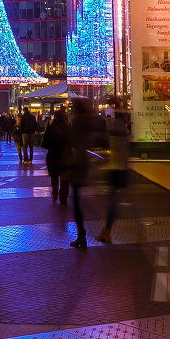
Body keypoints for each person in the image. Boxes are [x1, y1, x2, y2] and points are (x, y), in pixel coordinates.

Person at [95, 111, 130, 244]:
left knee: (113, 203)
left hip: (115, 171)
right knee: (114, 202)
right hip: (121, 170)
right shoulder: (124, 133)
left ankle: (107, 231)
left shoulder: (115, 132)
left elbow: (105, 143)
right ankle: (107, 230)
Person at [68, 98, 94, 250]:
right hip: (83, 163)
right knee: (78, 201)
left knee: (77, 202)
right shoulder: (89, 122)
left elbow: (73, 142)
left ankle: (82, 235)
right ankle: (82, 234)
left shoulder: (78, 123)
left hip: (77, 164)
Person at [42, 107, 70, 205]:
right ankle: (63, 197)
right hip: (65, 156)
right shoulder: (67, 127)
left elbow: (45, 143)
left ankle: (54, 191)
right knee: (64, 178)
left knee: (54, 176)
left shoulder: (50, 126)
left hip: (53, 155)